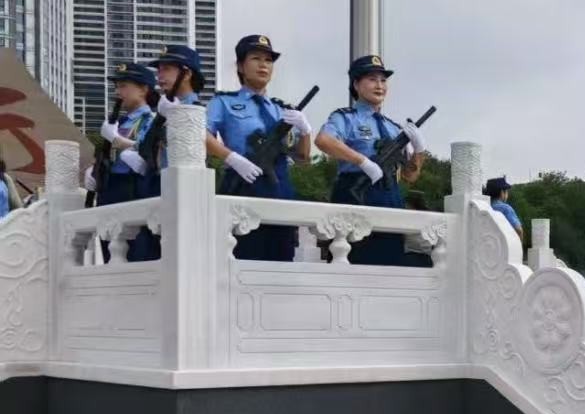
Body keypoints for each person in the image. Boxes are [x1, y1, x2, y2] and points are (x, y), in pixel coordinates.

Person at [205, 34, 312, 262]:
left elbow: (302, 157)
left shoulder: (281, 109)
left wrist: (305, 131)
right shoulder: (222, 102)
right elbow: (200, 134)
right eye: (256, 58)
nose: (263, 65)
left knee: (281, 262)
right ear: (241, 66)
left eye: (269, 60)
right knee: (241, 260)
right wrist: (232, 158)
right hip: (242, 186)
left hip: (279, 190)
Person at [315, 55, 428, 265]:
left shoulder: (393, 127)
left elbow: (410, 175)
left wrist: (419, 150)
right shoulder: (346, 117)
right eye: (372, 79)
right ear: (356, 84)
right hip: (355, 192)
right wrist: (362, 162)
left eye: (383, 80)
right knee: (354, 263)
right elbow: (324, 140)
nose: (379, 85)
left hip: (389, 195)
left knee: (389, 264)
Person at [90, 62, 159, 261]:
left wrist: (116, 139)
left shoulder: (150, 120)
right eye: (117, 86)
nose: (119, 91)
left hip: (133, 188)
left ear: (143, 89)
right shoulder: (118, 122)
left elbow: (147, 155)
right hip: (111, 188)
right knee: (109, 248)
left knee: (136, 251)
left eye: (124, 86)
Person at [138, 44, 206, 191]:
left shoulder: (199, 111)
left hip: (185, 187)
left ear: (186, 74)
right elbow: (145, 150)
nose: (160, 76)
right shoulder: (163, 109)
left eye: (167, 69)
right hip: (159, 184)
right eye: (159, 70)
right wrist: (161, 117)